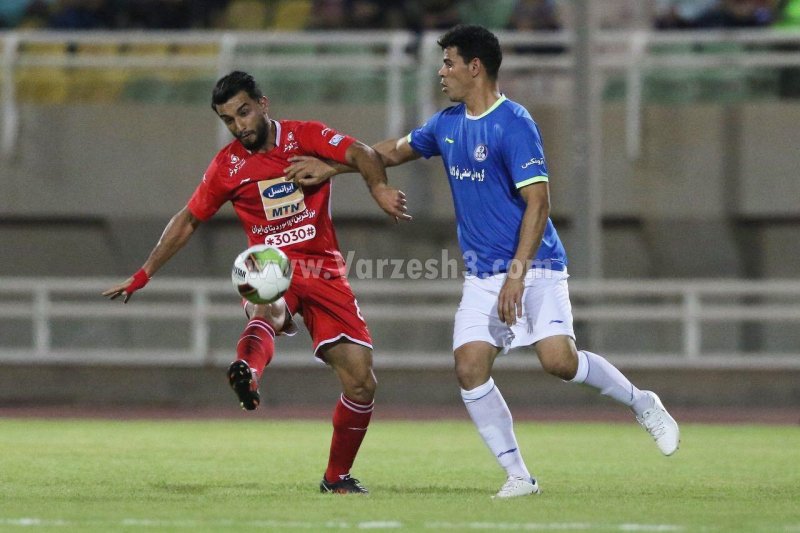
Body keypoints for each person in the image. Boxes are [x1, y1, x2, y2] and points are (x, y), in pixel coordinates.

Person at [284, 24, 680, 499]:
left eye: (448, 62)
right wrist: (332, 165)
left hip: (534, 266)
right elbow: (390, 151)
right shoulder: (447, 124)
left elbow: (539, 203)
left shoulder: (514, 123)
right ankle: (519, 476)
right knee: (470, 367)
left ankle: (642, 403)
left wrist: (516, 276)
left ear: (475, 67)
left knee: (558, 361)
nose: (442, 71)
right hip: (482, 275)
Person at [103, 71, 410, 495]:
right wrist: (144, 273)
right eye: (228, 120)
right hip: (270, 263)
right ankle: (248, 369)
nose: (239, 125)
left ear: (263, 104)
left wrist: (374, 188)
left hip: (323, 269)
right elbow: (189, 218)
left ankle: (336, 478)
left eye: (243, 113)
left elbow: (361, 152)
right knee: (268, 300)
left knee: (361, 382)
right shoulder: (227, 165)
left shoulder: (305, 136)